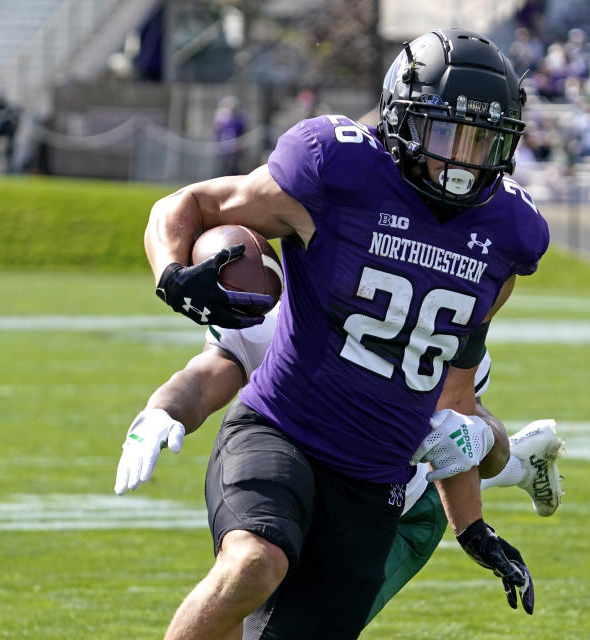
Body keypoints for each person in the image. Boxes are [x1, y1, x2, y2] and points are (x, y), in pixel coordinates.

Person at [137, 28, 549, 639]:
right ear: (404, 121)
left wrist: (472, 525)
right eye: (446, 133)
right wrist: (171, 272)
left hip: (375, 481)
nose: (464, 157)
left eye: (482, 138)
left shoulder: (509, 235)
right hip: (283, 432)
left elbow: (455, 403)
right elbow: (189, 203)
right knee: (253, 564)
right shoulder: (339, 167)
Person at [114, 303, 566, 625]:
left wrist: (482, 441)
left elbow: (469, 431)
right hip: (301, 468)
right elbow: (210, 372)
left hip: (398, 506)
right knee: (243, 579)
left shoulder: (436, 314)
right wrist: (162, 410)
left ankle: (521, 464)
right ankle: (523, 465)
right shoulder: (286, 304)